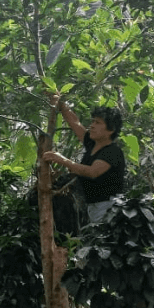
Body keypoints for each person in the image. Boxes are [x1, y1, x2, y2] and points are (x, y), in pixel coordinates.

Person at [42, 96, 125, 225]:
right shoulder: (92, 144)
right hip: (94, 206)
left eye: (98, 123)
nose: (92, 126)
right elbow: (75, 123)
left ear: (111, 130)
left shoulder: (112, 152)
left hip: (108, 207)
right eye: (93, 122)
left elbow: (92, 172)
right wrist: (60, 103)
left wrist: (62, 160)